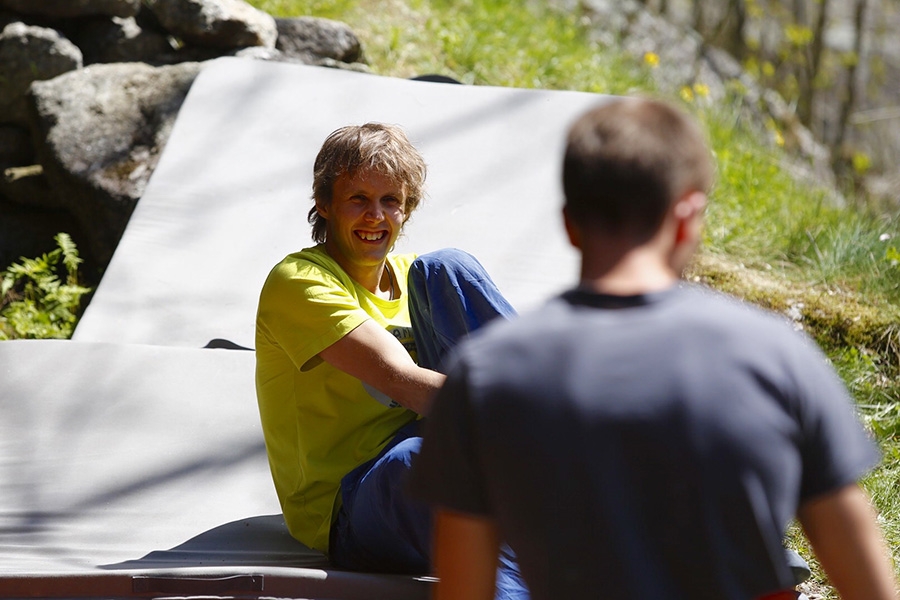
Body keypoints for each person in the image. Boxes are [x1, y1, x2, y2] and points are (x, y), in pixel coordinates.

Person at [408, 98, 898, 600]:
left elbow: (464, 589)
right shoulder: (777, 357)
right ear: (688, 216)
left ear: (570, 223)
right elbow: (866, 583)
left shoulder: (484, 375)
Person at [254, 123, 526, 597]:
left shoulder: (417, 280)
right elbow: (400, 380)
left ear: (408, 207)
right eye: (358, 198)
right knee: (421, 464)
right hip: (353, 501)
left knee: (447, 268)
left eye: (390, 201)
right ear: (324, 204)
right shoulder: (298, 281)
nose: (375, 216)